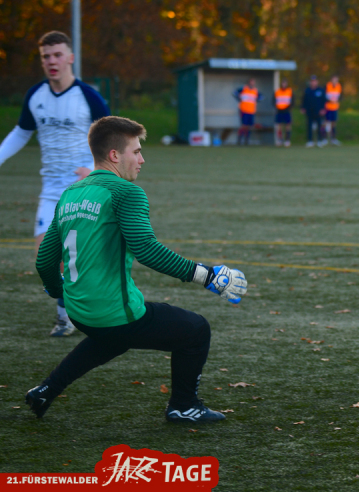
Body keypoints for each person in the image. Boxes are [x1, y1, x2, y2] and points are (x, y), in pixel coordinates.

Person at [28, 116, 247, 423]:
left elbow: (44, 260)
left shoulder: (70, 194)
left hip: (79, 310)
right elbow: (146, 249)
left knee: (110, 339)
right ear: (114, 155)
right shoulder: (126, 192)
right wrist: (208, 276)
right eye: (136, 151)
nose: (142, 160)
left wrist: (58, 292)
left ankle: (45, 390)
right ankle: (184, 405)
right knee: (196, 330)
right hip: (111, 310)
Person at [0, 31, 110, 337]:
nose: (52, 61)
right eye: (46, 56)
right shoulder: (36, 96)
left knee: (78, 258)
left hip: (83, 190)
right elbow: (22, 132)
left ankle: (81, 314)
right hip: (51, 192)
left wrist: (94, 169)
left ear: (70, 58)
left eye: (57, 55)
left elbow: (112, 137)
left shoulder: (88, 97)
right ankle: (68, 315)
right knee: (46, 258)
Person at [233, 78, 262, 145]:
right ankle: (239, 139)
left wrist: (256, 100)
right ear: (249, 82)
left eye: (253, 82)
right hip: (244, 110)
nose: (252, 83)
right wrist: (239, 98)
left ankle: (246, 140)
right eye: (251, 82)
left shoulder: (255, 90)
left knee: (249, 126)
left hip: (251, 111)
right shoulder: (243, 88)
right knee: (243, 125)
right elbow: (234, 92)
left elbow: (261, 97)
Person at [301, 75, 326, 147]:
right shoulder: (307, 90)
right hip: (309, 111)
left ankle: (319, 140)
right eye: (312, 81)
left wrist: (323, 109)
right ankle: (310, 141)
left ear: (317, 82)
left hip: (318, 112)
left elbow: (324, 101)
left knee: (319, 126)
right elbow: (304, 100)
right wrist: (303, 108)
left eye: (314, 81)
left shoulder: (321, 90)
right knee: (309, 126)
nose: (313, 83)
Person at [273, 79, 294, 147]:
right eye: (283, 83)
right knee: (279, 126)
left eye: (285, 83)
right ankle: (280, 140)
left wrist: (290, 108)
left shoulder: (289, 91)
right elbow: (273, 101)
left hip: (287, 111)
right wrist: (277, 107)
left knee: (288, 125)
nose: (284, 84)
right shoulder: (277, 92)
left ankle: (287, 140)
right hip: (279, 111)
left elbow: (293, 101)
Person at [323, 75, 342, 146]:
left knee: (334, 123)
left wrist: (337, 101)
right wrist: (330, 100)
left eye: (336, 79)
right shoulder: (327, 86)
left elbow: (340, 96)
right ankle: (325, 138)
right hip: (328, 107)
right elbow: (324, 96)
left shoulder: (339, 86)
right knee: (326, 123)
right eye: (334, 79)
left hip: (335, 107)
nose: (335, 81)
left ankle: (333, 139)